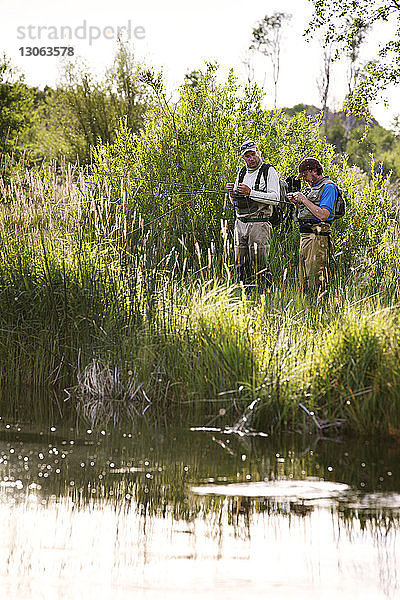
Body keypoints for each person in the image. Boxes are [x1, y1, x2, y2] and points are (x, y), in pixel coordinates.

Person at [226, 140, 280, 287]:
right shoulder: (242, 172)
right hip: (240, 223)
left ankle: (266, 295)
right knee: (240, 264)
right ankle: (246, 295)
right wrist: (232, 194)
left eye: (253, 154)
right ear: (243, 157)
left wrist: (250, 193)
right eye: (247, 156)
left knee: (260, 263)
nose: (251, 158)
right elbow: (235, 202)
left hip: (259, 223)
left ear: (258, 152)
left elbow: (276, 199)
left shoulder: (269, 171)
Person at [288, 157, 337, 292]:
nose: (303, 179)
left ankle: (319, 309)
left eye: (305, 175)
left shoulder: (328, 187)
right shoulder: (310, 189)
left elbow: (323, 215)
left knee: (316, 281)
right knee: (303, 281)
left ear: (315, 171)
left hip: (318, 237)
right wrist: (297, 203)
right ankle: (307, 309)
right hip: (305, 237)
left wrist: (303, 199)